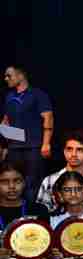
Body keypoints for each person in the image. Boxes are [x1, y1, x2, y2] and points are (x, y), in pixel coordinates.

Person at [2, 64, 54, 198]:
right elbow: (6, 120)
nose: (6, 78)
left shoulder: (37, 94)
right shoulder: (9, 97)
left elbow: (48, 117)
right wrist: (5, 144)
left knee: (32, 183)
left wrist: (46, 143)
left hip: (33, 147)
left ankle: (33, 216)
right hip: (14, 148)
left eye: (9, 75)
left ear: (20, 75)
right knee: (13, 181)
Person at [37, 129, 83, 213]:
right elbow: (42, 216)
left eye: (79, 150)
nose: (73, 154)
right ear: (64, 152)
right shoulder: (49, 181)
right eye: (69, 149)